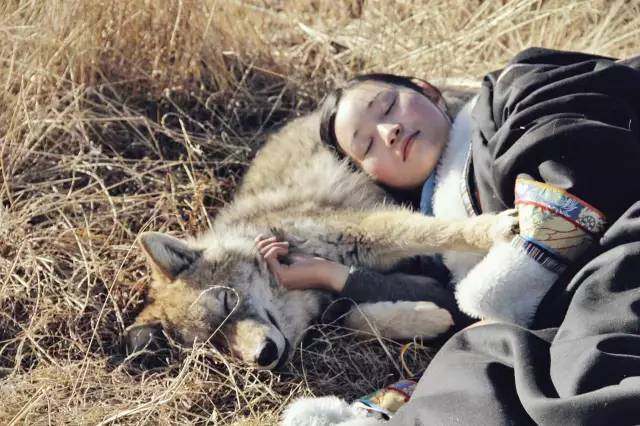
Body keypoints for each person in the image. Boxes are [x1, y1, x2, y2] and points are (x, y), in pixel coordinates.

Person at [269, 48, 640, 425]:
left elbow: (577, 134)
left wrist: (521, 271)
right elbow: (446, 311)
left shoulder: (509, 93)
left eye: (388, 106)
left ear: (428, 91)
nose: (388, 131)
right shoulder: (435, 242)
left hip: (619, 241)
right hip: (560, 316)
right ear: (371, 177)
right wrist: (330, 275)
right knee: (468, 364)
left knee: (595, 359)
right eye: (367, 146)